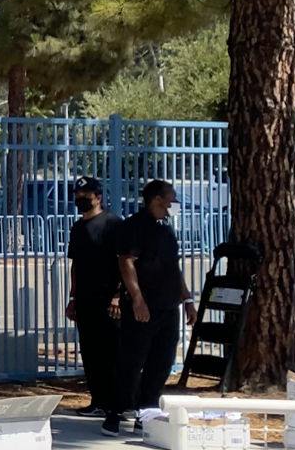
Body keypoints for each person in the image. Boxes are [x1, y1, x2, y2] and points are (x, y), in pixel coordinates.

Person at [109, 179, 198, 435]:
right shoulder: (134, 227)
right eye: (172, 196)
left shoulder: (166, 229)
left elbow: (173, 267)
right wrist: (137, 299)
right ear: (157, 199)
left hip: (168, 306)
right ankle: (115, 411)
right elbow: (127, 263)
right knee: (132, 359)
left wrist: (187, 300)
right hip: (143, 307)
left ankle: (146, 411)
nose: (175, 201)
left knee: (161, 361)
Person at [64, 176, 122, 417]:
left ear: (98, 197)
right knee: (91, 353)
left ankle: (118, 404)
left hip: (110, 301)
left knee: (113, 353)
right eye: (77, 197)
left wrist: (118, 296)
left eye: (85, 196)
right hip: (86, 300)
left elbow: (124, 263)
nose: (80, 200)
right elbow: (75, 265)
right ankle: (98, 401)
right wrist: (73, 298)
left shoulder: (113, 225)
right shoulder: (78, 228)